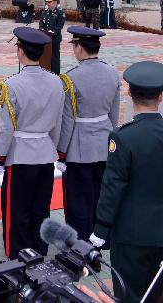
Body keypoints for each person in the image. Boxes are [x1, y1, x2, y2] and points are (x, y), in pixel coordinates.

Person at [91, 61, 163, 303]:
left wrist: (100, 230)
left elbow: (113, 187)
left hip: (130, 235)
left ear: (130, 93)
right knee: (159, 292)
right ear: (161, 96)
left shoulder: (123, 137)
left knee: (129, 295)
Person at [0, 27, 64, 259]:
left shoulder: (12, 84)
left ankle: (18, 256)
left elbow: (6, 127)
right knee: (40, 208)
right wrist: (54, 150)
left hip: (21, 155)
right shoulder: (57, 82)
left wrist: (0, 157)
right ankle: (39, 250)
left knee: (17, 210)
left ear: (20, 51)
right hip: (45, 153)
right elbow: (58, 122)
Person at [56, 27, 120, 241]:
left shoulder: (70, 78)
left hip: (79, 146)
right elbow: (114, 113)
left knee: (78, 201)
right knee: (100, 197)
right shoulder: (112, 72)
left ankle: (79, 247)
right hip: (105, 142)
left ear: (80, 48)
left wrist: (61, 153)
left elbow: (67, 120)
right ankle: (100, 241)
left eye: (75, 45)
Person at [38, 0, 65, 74]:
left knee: (55, 57)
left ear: (55, 2)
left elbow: (60, 25)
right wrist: (42, 30)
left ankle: (56, 74)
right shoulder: (45, 12)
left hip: (55, 39)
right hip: (45, 39)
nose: (48, 4)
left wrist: (53, 32)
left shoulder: (60, 13)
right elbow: (41, 23)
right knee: (45, 56)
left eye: (50, 2)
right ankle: (46, 72)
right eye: (47, 2)